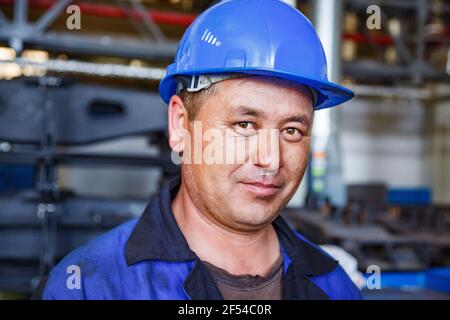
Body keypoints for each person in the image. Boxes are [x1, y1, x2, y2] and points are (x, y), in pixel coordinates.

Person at [33, 0, 361, 300]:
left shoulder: (334, 285)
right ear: (180, 126)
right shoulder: (92, 286)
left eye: (292, 130)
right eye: (245, 124)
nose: (270, 160)